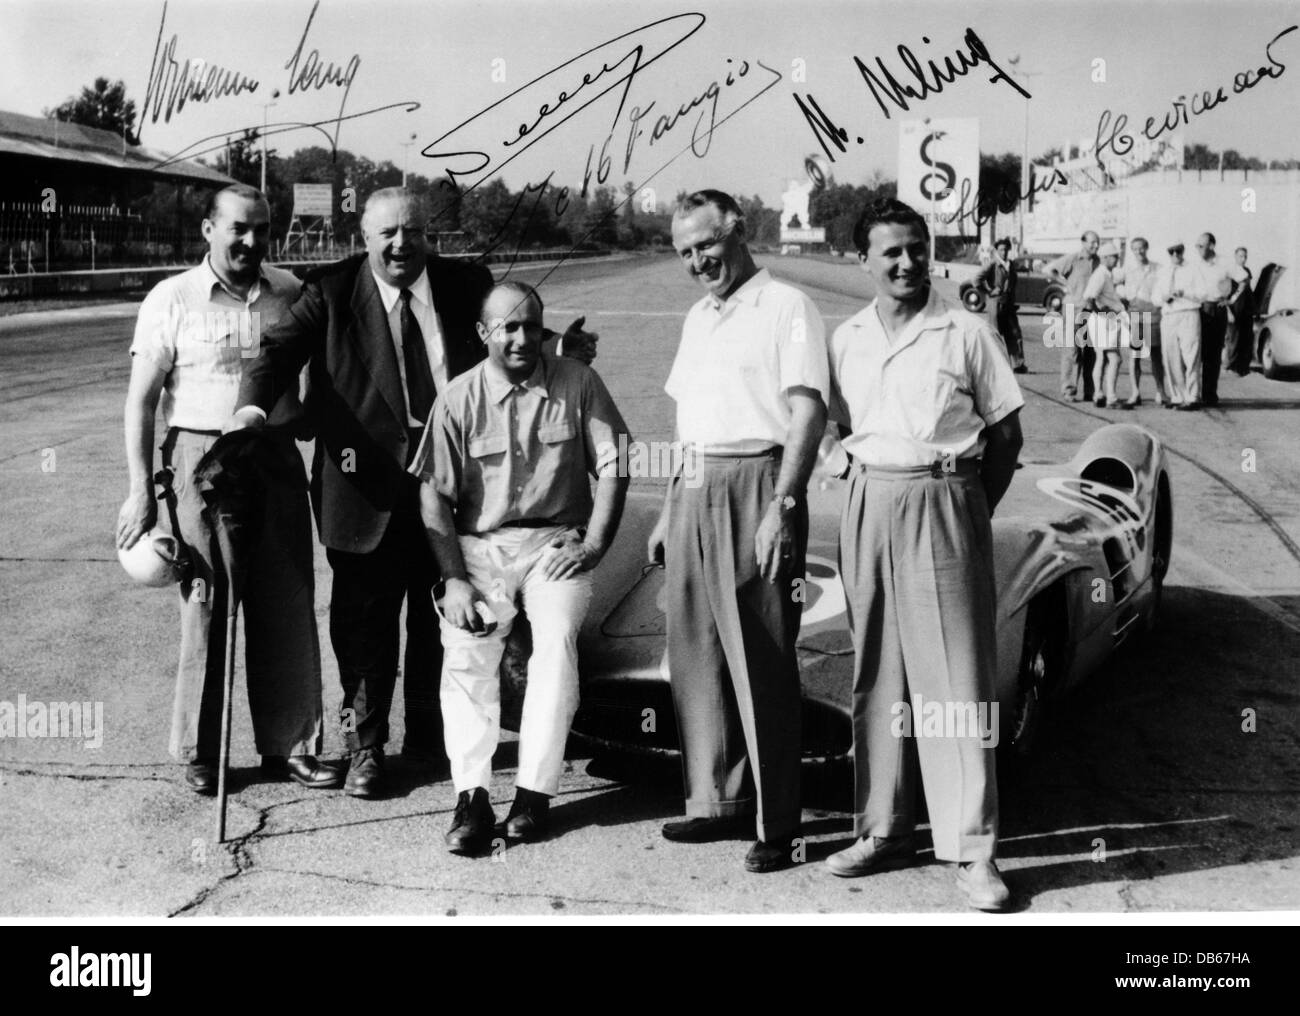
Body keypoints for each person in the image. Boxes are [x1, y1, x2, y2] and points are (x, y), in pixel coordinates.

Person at [228, 187, 595, 799]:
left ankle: (429, 734)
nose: (402, 244)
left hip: (457, 482)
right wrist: (249, 415)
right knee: (363, 625)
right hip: (362, 487)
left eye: (414, 232)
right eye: (388, 234)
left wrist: (559, 347)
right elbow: (274, 355)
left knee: (445, 612)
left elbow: (511, 329)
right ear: (364, 238)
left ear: (431, 236)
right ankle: (365, 748)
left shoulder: (464, 281)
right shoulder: (331, 291)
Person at [823, 198, 1024, 913]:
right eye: (891, 253)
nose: (906, 263)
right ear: (864, 261)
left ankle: (973, 849)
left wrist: (968, 509)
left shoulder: (965, 331)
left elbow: (1007, 440)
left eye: (916, 248)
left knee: (956, 685)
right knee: (878, 675)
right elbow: (834, 425)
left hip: (946, 501)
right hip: (870, 504)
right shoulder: (844, 336)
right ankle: (882, 829)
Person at [115, 183, 338, 794]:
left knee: (287, 598)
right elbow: (139, 403)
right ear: (209, 230)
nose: (252, 241)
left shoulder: (292, 293)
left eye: (262, 229)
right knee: (206, 600)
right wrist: (140, 490)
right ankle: (200, 750)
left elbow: (318, 383)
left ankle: (290, 746)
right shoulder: (173, 298)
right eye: (239, 227)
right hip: (200, 458)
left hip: (272, 456)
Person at [413, 281, 630, 853]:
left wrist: (594, 545)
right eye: (507, 327)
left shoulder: (578, 384)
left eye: (531, 326)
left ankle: (533, 794)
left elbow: (617, 462)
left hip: (555, 545)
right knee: (466, 651)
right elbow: (433, 494)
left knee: (556, 642)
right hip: (479, 547)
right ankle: (472, 797)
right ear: (483, 334)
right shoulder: (458, 398)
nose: (521, 338)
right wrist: (455, 577)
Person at [648, 189, 829, 874]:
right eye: (685, 252)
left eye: (707, 245)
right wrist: (671, 505)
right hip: (695, 486)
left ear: (739, 232)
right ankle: (714, 803)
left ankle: (777, 821)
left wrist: (783, 504)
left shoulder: (786, 307)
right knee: (696, 652)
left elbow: (807, 411)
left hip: (759, 480)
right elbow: (686, 415)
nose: (698, 261)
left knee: (762, 658)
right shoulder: (698, 316)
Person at [1046, 231, 1100, 400]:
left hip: (1090, 310)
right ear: (1083, 243)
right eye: (1092, 243)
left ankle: (1089, 390)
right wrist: (1065, 283)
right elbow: (1049, 270)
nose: (1095, 246)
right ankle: (1069, 389)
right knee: (1072, 350)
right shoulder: (1074, 258)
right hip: (1072, 308)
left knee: (1090, 352)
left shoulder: (1099, 261)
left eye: (1097, 243)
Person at [1152, 242, 1205, 411]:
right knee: (1170, 356)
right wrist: (1164, 298)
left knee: (1191, 355)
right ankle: (1177, 396)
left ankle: (1193, 396)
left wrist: (1185, 293)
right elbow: (1155, 297)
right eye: (1171, 251)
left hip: (1188, 313)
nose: (1175, 254)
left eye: (1178, 251)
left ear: (1183, 251)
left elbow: (1203, 294)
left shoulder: (1193, 269)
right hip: (1169, 315)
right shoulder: (1163, 271)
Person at [1115, 237, 1165, 408]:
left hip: (1152, 314)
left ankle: (1161, 391)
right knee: (1135, 354)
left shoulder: (1157, 268)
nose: (1139, 252)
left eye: (1141, 248)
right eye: (1135, 249)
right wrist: (1124, 298)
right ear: (1132, 251)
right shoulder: (1127, 269)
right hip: (1135, 314)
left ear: (1147, 248)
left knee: (1155, 354)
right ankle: (1135, 392)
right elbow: (1112, 282)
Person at [1083, 242, 1126, 407]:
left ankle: (1098, 394)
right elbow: (1089, 297)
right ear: (1106, 258)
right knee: (1114, 358)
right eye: (1114, 256)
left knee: (1101, 357)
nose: (1117, 259)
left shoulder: (1105, 274)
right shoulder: (1101, 274)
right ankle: (1111, 397)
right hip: (1105, 320)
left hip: (1103, 319)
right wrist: (1103, 313)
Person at [975, 237, 1027, 372]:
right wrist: (989, 291)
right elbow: (976, 279)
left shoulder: (1011, 265)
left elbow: (1013, 284)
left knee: (1015, 334)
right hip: (996, 306)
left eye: (1006, 249)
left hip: (1009, 306)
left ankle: (1018, 364)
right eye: (1001, 250)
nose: (1004, 252)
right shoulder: (993, 264)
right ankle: (995, 365)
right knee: (995, 335)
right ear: (997, 251)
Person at [1193, 232, 1232, 407]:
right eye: (1197, 246)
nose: (1199, 249)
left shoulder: (1224, 263)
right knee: (1195, 352)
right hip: (1198, 309)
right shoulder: (1195, 265)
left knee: (1213, 354)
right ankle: (1193, 394)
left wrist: (1230, 299)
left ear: (1211, 246)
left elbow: (1244, 280)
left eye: (1202, 245)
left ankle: (1209, 394)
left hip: (1216, 309)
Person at [1224, 246, 1254, 377]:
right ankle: (1230, 367)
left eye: (1245, 256)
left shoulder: (1247, 271)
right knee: (1233, 340)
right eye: (1241, 256)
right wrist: (1228, 312)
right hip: (1234, 312)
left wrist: (1254, 308)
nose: (1243, 259)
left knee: (1246, 340)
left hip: (1246, 312)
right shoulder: (1230, 272)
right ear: (1235, 257)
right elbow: (1225, 294)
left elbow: (1248, 291)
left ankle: (1243, 368)